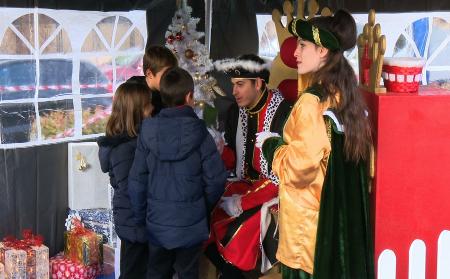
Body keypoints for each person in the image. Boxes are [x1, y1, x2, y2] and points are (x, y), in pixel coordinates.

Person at [258, 10, 375, 279]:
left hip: (308, 233)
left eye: (302, 45)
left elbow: (299, 171)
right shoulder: (344, 95)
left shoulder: (312, 102)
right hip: (336, 224)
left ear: (322, 50)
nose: (295, 53)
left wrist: (271, 145)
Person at [128, 67, 228, 279]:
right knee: (187, 274)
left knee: (156, 273)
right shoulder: (200, 133)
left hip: (156, 224)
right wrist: (201, 207)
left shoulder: (147, 131)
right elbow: (217, 180)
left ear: (162, 96)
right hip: (190, 226)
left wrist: (141, 219)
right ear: (190, 96)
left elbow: (137, 182)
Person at [204, 54, 293, 278]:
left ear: (259, 83)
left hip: (277, 190)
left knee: (241, 229)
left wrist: (242, 203)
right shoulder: (236, 111)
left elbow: (282, 176)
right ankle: (229, 272)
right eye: (233, 85)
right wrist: (219, 149)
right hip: (244, 183)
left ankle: (232, 272)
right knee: (204, 214)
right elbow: (235, 160)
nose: (234, 92)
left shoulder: (284, 113)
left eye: (240, 85)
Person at [98, 81, 153, 279]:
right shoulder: (127, 149)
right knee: (133, 271)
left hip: (134, 219)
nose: (152, 109)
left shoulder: (127, 144)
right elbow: (132, 188)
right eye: (148, 105)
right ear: (137, 111)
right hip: (136, 220)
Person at [142, 44, 178, 115]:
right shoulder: (133, 94)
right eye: (166, 74)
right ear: (149, 74)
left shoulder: (167, 92)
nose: (171, 79)